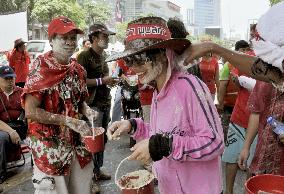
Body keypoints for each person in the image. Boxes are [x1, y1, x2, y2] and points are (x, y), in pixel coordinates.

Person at [107, 16, 224, 194]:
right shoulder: (158, 89)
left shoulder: (189, 87)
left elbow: (214, 142)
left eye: (140, 59)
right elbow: (165, 132)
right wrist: (133, 126)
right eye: (129, 60)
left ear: (163, 55)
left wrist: (164, 146)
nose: (133, 68)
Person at [183, 2, 284, 175]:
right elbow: (258, 67)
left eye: (277, 73)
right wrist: (213, 47)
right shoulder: (271, 69)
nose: (271, 79)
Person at [22, 16, 98, 194]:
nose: (70, 42)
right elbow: (30, 111)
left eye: (72, 38)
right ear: (51, 40)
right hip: (50, 151)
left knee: (82, 190)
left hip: (77, 147)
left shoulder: (78, 70)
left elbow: (79, 103)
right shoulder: (40, 68)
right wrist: (69, 121)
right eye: (64, 38)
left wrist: (87, 111)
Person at [77, 23, 117, 194]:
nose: (107, 39)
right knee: (91, 142)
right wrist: (102, 81)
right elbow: (80, 82)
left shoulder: (103, 55)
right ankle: (90, 178)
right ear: (93, 38)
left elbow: (104, 79)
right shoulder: (84, 57)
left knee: (101, 141)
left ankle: (97, 170)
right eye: (104, 36)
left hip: (104, 102)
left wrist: (111, 81)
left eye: (108, 36)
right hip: (91, 105)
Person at [220, 40, 257, 194]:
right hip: (239, 118)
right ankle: (228, 192)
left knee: (253, 163)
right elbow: (235, 79)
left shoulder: (274, 60)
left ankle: (247, 191)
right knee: (231, 158)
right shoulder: (247, 57)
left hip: (259, 122)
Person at [0, 66, 22, 184]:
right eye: (6, 78)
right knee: (1, 138)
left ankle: (40, 166)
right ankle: (1, 174)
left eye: (12, 78)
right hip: (3, 127)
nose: (10, 81)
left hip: (18, 125)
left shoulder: (21, 92)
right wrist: (11, 131)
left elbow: (30, 110)